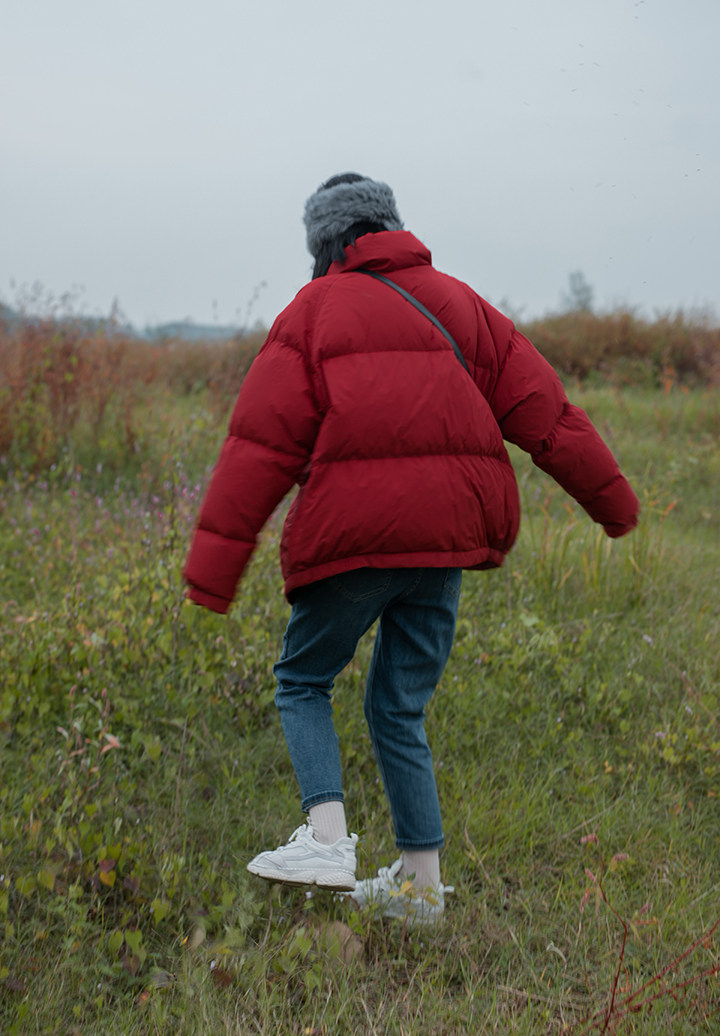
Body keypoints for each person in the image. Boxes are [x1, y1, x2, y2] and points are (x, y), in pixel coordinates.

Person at [184, 172, 639, 924]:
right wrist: (613, 503)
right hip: (447, 539)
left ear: (325, 242)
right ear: (390, 225)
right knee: (398, 707)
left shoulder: (313, 310)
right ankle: (421, 888)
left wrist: (212, 573)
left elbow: (258, 449)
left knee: (302, 678)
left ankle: (326, 841)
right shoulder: (463, 304)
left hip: (355, 538)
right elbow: (549, 415)